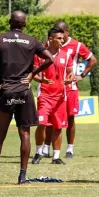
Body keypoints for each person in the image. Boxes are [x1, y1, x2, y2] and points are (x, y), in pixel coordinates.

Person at [0, 11, 54, 184]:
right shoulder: (32, 41)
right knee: (25, 134)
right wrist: (32, 74)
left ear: (9, 22)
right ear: (24, 24)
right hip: (24, 92)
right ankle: (22, 176)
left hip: (6, 92)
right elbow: (50, 59)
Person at [43, 21, 97, 159]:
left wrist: (81, 75)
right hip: (53, 88)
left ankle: (70, 149)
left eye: (61, 31)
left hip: (70, 88)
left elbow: (93, 60)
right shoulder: (50, 44)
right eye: (57, 32)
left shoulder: (77, 45)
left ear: (67, 31)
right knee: (50, 119)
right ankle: (46, 148)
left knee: (70, 118)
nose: (60, 35)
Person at [31, 28, 70, 165]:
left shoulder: (66, 55)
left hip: (60, 97)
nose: (62, 40)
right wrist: (41, 80)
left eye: (62, 37)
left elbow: (70, 71)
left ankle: (56, 157)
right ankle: (38, 153)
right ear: (50, 39)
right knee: (41, 124)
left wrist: (70, 79)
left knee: (58, 127)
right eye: (59, 38)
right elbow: (33, 74)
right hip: (45, 96)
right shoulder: (39, 55)